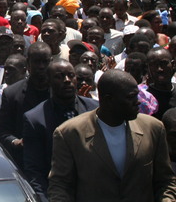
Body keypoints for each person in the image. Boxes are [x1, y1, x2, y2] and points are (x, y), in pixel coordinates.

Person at [48, 70, 176, 201]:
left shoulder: (153, 128)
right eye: (130, 97)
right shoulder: (69, 134)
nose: (138, 102)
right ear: (108, 100)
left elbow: (166, 181)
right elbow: (60, 186)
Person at [22, 60, 98, 198]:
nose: (67, 80)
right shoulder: (35, 119)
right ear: (49, 81)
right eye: (60, 76)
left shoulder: (95, 109)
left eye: (71, 75)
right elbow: (34, 170)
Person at [0, 42, 52, 169]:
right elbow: (1, 130)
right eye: (37, 62)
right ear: (28, 63)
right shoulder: (12, 94)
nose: (41, 67)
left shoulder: (59, 91)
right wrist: (16, 142)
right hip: (24, 163)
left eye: (45, 62)